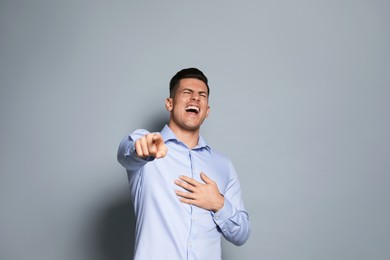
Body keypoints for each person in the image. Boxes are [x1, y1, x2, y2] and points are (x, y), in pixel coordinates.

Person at [117, 68, 250, 259]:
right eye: (187, 92)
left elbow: (242, 234)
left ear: (207, 111)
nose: (195, 98)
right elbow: (125, 153)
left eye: (201, 95)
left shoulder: (223, 164)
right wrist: (141, 150)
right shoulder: (147, 149)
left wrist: (219, 204)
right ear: (169, 103)